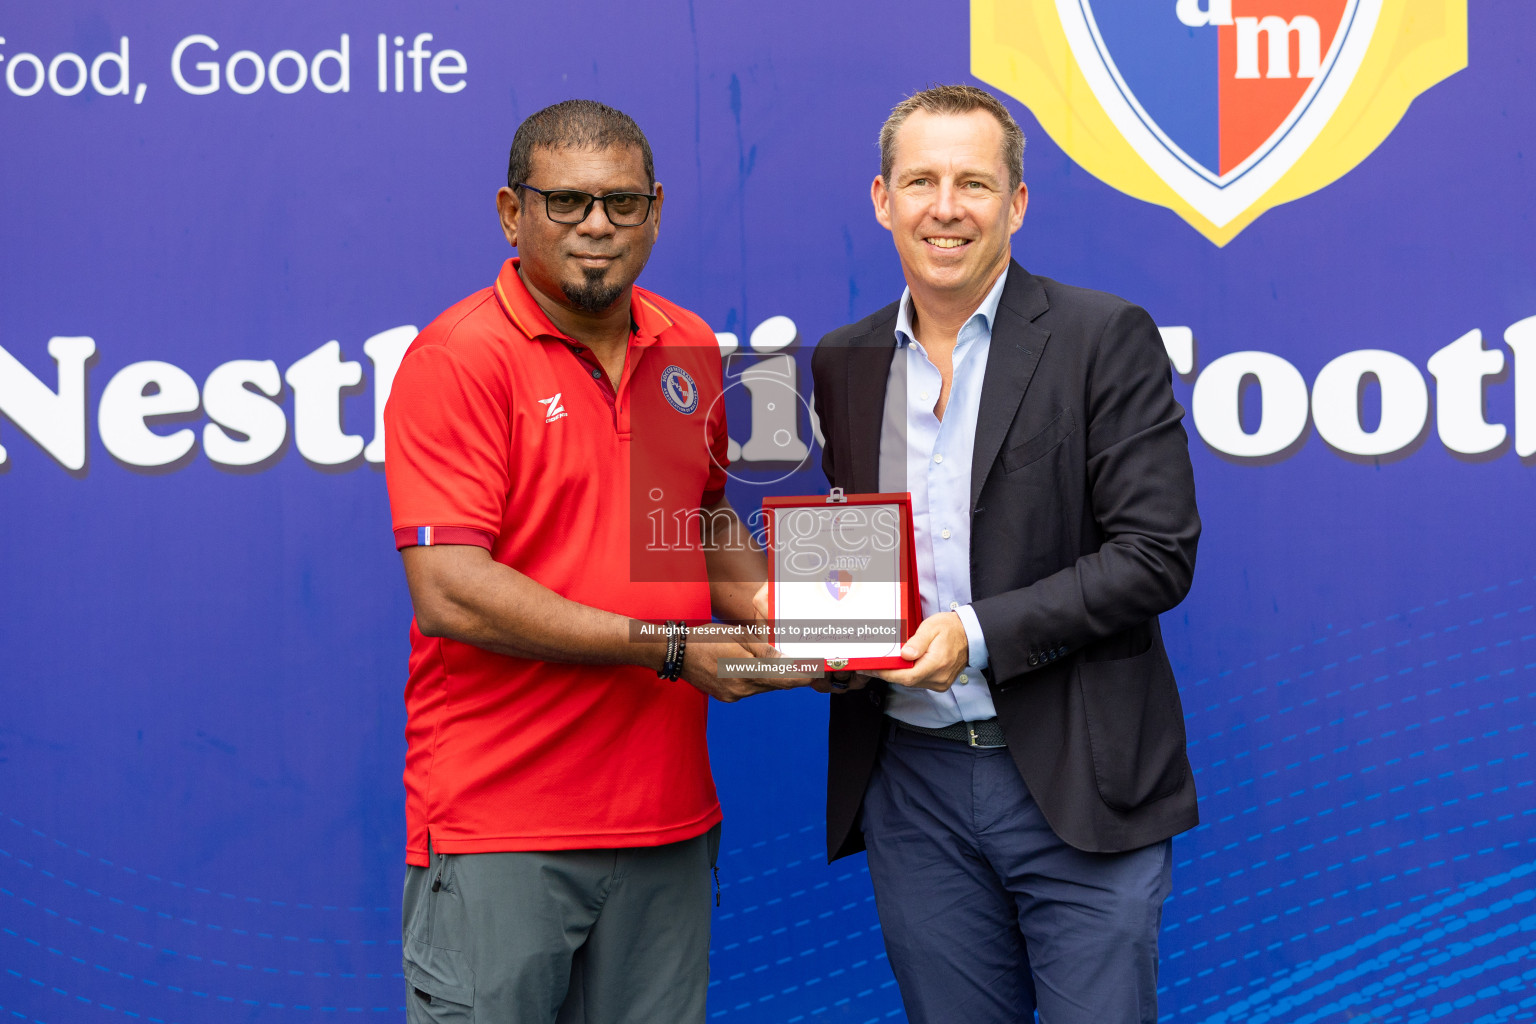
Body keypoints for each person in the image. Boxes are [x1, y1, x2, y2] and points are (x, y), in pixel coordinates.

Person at [787, 84, 1201, 1023]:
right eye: (921, 180)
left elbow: (1155, 555)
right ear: (882, 199)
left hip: (1076, 778)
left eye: (974, 183)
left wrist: (973, 633)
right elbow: (853, 552)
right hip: (912, 787)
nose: (946, 207)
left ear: (1016, 203)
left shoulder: (1103, 338)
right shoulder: (844, 361)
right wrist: (821, 641)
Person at [383, 99, 793, 1024]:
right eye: (565, 204)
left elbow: (692, 526)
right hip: (504, 826)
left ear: (656, 209)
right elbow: (451, 593)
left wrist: (816, 632)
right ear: (510, 211)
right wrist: (675, 651)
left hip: (667, 821)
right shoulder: (459, 359)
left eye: (621, 203)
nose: (597, 226)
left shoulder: (683, 345)